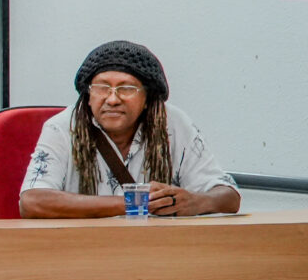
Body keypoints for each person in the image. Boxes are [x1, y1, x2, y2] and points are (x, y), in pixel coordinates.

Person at [19, 40, 239, 218]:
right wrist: (137, 203)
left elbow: (228, 196)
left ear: (148, 99)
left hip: (158, 250)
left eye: (126, 88)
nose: (112, 99)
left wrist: (196, 202)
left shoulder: (173, 123)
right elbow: (32, 201)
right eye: (102, 87)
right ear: (88, 94)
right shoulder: (62, 128)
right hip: (83, 249)